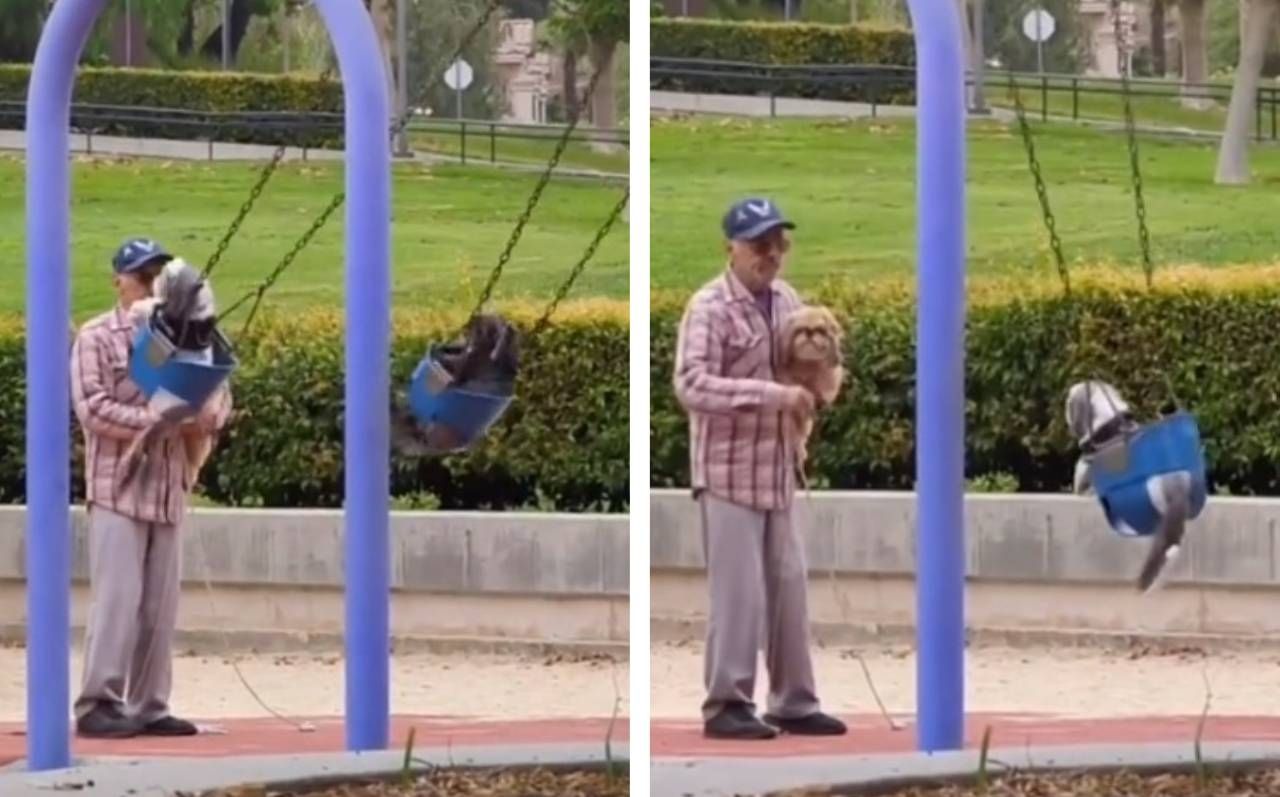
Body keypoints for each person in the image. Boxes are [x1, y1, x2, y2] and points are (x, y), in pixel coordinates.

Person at [673, 197, 847, 740]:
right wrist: (774, 396)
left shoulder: (788, 301)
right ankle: (726, 703)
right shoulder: (708, 308)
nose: (769, 253)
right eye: (758, 244)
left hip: (778, 471)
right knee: (739, 594)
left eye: (777, 243)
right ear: (732, 247)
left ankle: (794, 701)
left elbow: (807, 364)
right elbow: (691, 384)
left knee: (789, 588)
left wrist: (821, 380)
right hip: (727, 474)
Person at [69, 237, 233, 738]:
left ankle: (149, 705)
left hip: (168, 487)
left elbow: (218, 403)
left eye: (155, 274)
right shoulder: (97, 336)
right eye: (139, 274)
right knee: (117, 599)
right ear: (119, 281)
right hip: (117, 486)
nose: (147, 283)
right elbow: (92, 408)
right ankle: (98, 702)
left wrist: (196, 416)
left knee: (161, 606)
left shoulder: (192, 337)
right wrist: (153, 419)